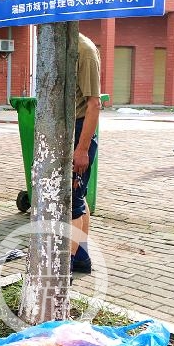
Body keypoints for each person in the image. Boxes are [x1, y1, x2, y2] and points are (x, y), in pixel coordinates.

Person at [71, 33, 102, 274]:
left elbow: (94, 103)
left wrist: (82, 149)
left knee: (71, 202)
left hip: (79, 131)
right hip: (65, 130)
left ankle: (66, 269)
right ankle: (81, 256)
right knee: (77, 197)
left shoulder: (84, 50)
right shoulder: (60, 42)